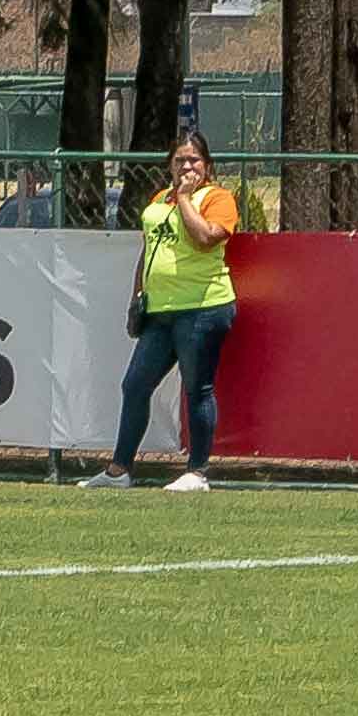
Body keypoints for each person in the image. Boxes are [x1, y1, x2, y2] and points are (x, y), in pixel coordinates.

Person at [80, 132, 243, 494]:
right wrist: (137, 294)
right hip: (160, 310)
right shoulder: (159, 199)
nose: (186, 166)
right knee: (135, 385)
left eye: (194, 160)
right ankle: (118, 470)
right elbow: (149, 249)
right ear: (169, 165)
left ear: (207, 165)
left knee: (197, 388)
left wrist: (185, 198)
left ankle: (197, 472)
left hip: (202, 307)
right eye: (180, 160)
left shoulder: (217, 198)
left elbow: (204, 239)